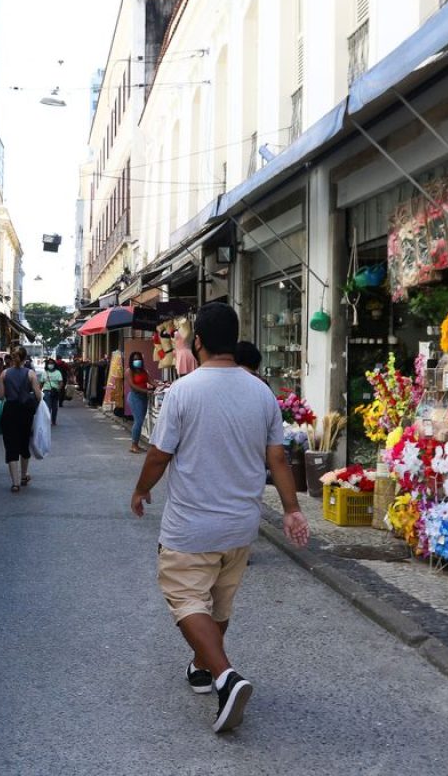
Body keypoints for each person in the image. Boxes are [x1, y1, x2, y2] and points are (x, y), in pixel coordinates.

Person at [129, 302, 309, 734]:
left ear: (199, 342)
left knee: (188, 598)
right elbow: (278, 458)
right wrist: (291, 509)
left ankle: (226, 677)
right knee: (220, 602)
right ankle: (201, 666)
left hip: (191, 526)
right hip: (240, 526)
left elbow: (159, 453)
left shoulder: (184, 391)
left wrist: (141, 489)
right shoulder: (261, 391)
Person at [0, 346, 43, 493]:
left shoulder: (4, 374)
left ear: (12, 358)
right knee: (24, 444)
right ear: (25, 359)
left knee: (11, 446)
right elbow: (38, 395)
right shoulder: (31, 374)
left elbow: (0, 396)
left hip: (9, 412)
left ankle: (15, 483)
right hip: (25, 413)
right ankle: (23, 476)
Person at [125, 352, 155, 454]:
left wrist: (160, 385)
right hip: (135, 397)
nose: (137, 361)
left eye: (138, 359)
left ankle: (136, 444)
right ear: (131, 361)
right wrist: (146, 391)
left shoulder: (144, 371)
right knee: (138, 421)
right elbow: (132, 385)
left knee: (140, 421)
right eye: (134, 359)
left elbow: (151, 381)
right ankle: (133, 445)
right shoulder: (129, 371)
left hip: (144, 398)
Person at [39, 358, 64, 425]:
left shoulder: (58, 372)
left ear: (54, 364)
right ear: (47, 365)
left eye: (52, 363)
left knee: (55, 407)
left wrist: (58, 389)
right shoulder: (44, 373)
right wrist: (38, 392)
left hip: (55, 392)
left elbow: (61, 382)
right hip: (46, 391)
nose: (50, 365)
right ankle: (47, 420)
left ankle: (53, 421)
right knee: (48, 406)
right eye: (49, 363)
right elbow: (41, 383)